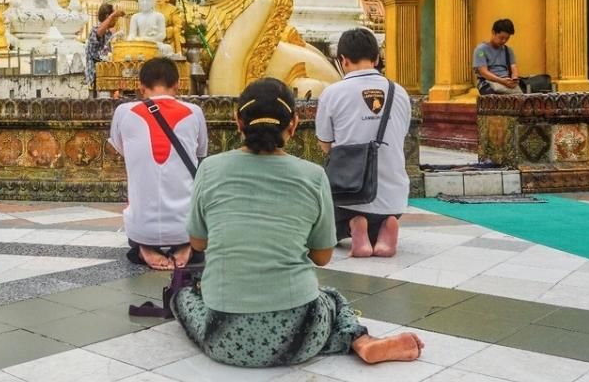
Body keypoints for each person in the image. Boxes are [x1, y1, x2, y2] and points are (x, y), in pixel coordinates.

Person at [173, 78, 424, 368]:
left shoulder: (209, 169)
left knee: (183, 296)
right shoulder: (313, 176)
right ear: (293, 125)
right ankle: (361, 341)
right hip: (301, 335)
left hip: (225, 339)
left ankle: (349, 341)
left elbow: (198, 243)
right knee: (330, 298)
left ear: (238, 122)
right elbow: (322, 256)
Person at [316, 28, 412, 258]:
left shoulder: (332, 93)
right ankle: (386, 228)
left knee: (329, 216)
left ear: (343, 60)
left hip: (349, 196)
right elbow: (401, 135)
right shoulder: (399, 92)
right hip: (394, 201)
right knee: (384, 211)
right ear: (377, 59)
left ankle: (355, 226)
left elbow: (325, 144)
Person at [109, 57, 207, 270]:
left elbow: (120, 147)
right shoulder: (194, 112)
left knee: (139, 210)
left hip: (140, 226)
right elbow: (201, 152)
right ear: (178, 84)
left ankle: (143, 246)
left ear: (141, 88)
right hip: (186, 226)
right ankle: (186, 246)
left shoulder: (124, 112)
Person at [85, 2, 125, 95]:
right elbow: (99, 33)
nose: (116, 21)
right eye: (115, 18)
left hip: (106, 74)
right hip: (96, 75)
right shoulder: (95, 29)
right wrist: (112, 16)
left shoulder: (109, 33)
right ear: (108, 16)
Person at [474, 19, 521, 95]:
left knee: (522, 101)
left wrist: (514, 78)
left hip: (506, 81)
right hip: (487, 82)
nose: (504, 41)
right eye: (501, 38)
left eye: (507, 38)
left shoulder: (508, 50)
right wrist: (501, 80)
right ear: (493, 32)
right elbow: (483, 72)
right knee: (495, 100)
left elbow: (513, 67)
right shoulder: (480, 50)